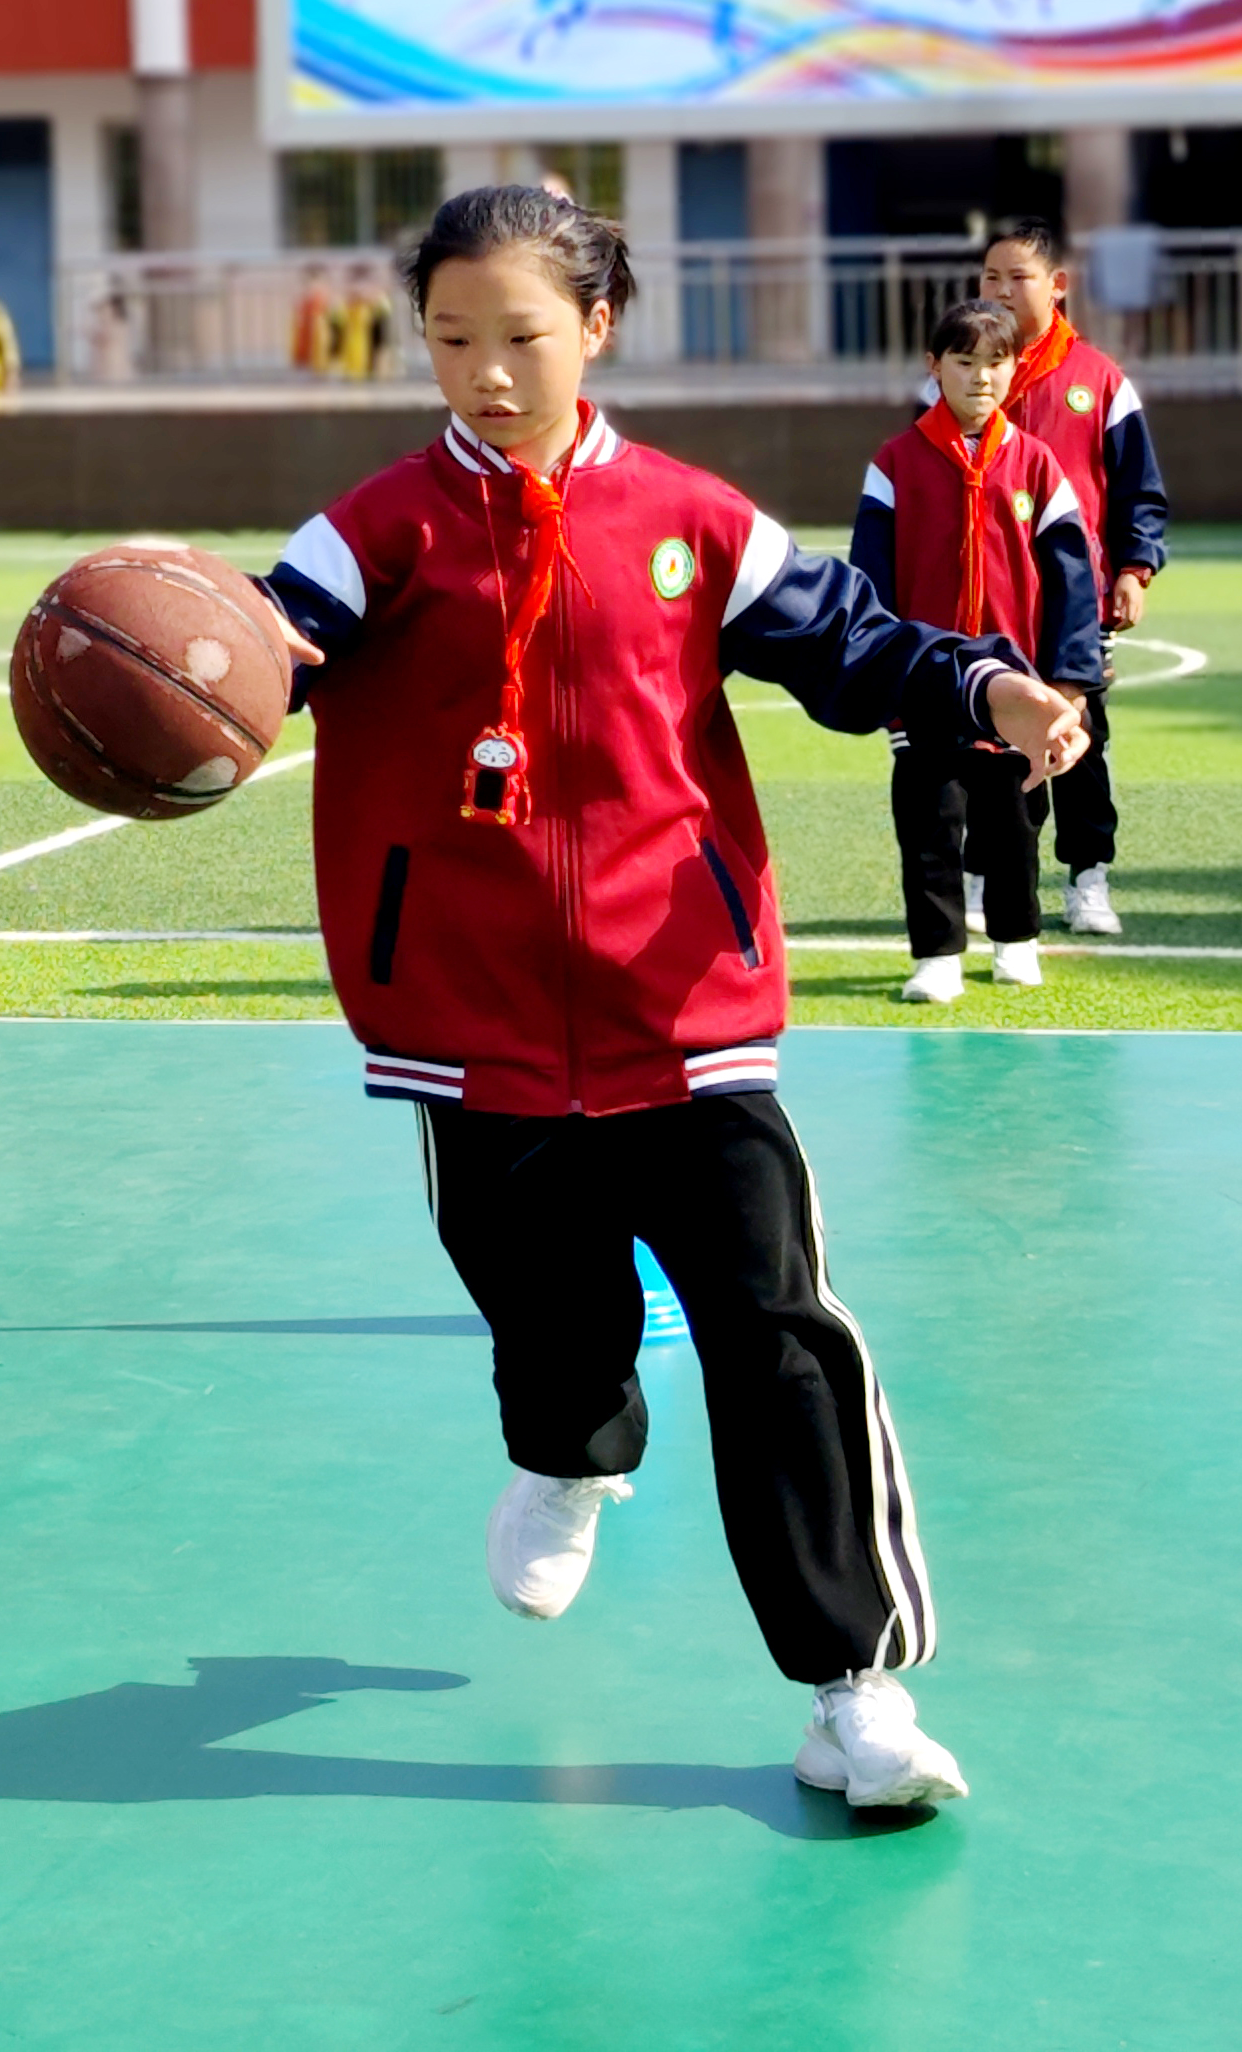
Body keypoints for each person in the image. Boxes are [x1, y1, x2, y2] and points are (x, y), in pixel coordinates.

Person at [258, 186, 1087, 1811]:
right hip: (467, 1019)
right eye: (449, 340)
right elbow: (249, 650)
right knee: (546, 1314)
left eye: (521, 337)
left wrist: (987, 682)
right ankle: (569, 1451)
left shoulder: (692, 520)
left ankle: (856, 1691)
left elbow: (851, 642)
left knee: (777, 1338)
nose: (486, 373)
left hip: (686, 1010)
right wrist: (168, 686)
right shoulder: (374, 531)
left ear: (597, 327)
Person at [852, 301, 1102, 1005]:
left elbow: (1071, 579)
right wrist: (883, 676)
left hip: (1017, 688)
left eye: (996, 362)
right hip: (923, 685)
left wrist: (1068, 684)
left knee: (1015, 823)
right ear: (935, 368)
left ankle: (1017, 942)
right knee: (930, 821)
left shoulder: (1037, 464)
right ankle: (937, 955)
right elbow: (868, 577)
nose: (981, 377)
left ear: (1015, 369)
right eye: (964, 362)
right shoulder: (894, 464)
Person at [976, 220, 1168, 936]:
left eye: (1016, 277)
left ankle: (1088, 878)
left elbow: (1136, 487)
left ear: (1057, 286)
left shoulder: (1100, 381)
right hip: (987, 598)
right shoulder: (961, 374)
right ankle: (987, 879)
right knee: (987, 742)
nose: (999, 290)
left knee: (1080, 736)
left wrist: (1134, 567)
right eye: (989, 277)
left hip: (1075, 603)